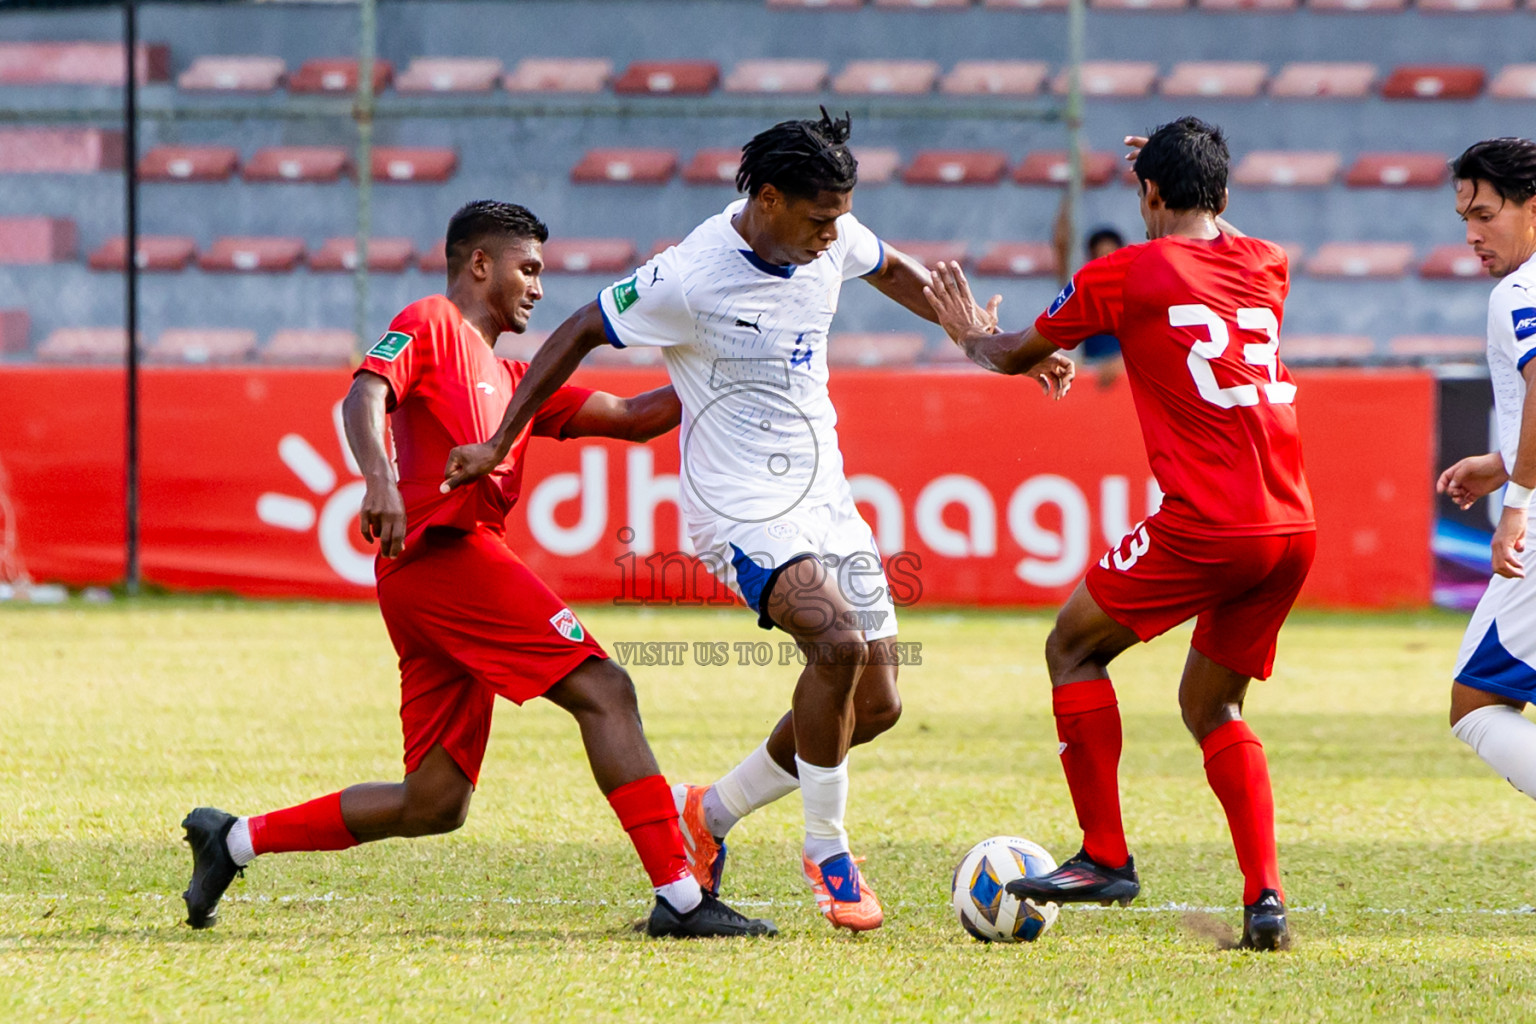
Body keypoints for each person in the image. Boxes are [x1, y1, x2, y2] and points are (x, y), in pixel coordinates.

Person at [439, 111, 1073, 932]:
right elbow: (581, 329)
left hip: (825, 498)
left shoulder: (829, 233)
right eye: (818, 219)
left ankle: (707, 814)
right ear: (768, 200)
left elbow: (892, 270)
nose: (833, 234)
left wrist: (987, 341)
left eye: (840, 216)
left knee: (873, 705)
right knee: (836, 645)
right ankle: (827, 850)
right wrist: (498, 439)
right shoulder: (689, 275)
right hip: (736, 508)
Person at [180, 200, 775, 940]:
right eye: (528, 269)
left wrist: (736, 373)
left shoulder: (517, 377)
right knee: (605, 689)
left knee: (434, 802)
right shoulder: (431, 320)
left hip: (434, 582)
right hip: (443, 559)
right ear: (480, 264)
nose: (537, 287)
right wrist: (380, 479)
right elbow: (363, 391)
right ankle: (682, 899)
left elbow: (628, 418)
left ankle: (231, 840)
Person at [925, 117, 1314, 951]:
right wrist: (1188, 180)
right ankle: (1266, 900)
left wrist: (965, 330)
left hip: (1209, 523)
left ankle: (1105, 855)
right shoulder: (1267, 263)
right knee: (1213, 705)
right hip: (1291, 525)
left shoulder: (1124, 273)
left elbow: (1008, 352)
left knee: (1071, 647)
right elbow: (1222, 234)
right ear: (1223, 195)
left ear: (1148, 194)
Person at [1435, 137, 1536, 801]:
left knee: (1476, 704)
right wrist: (1500, 464)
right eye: (1465, 217)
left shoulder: (1519, 291)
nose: (1472, 232)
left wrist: (1517, 503)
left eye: (1486, 214)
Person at [1052, 200, 1127, 387]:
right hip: (1091, 382)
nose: (1107, 266)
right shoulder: (1082, 294)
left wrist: (1120, 363)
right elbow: (1061, 244)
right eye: (1101, 258)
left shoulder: (1137, 294)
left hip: (1126, 381)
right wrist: (1072, 189)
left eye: (1112, 257)